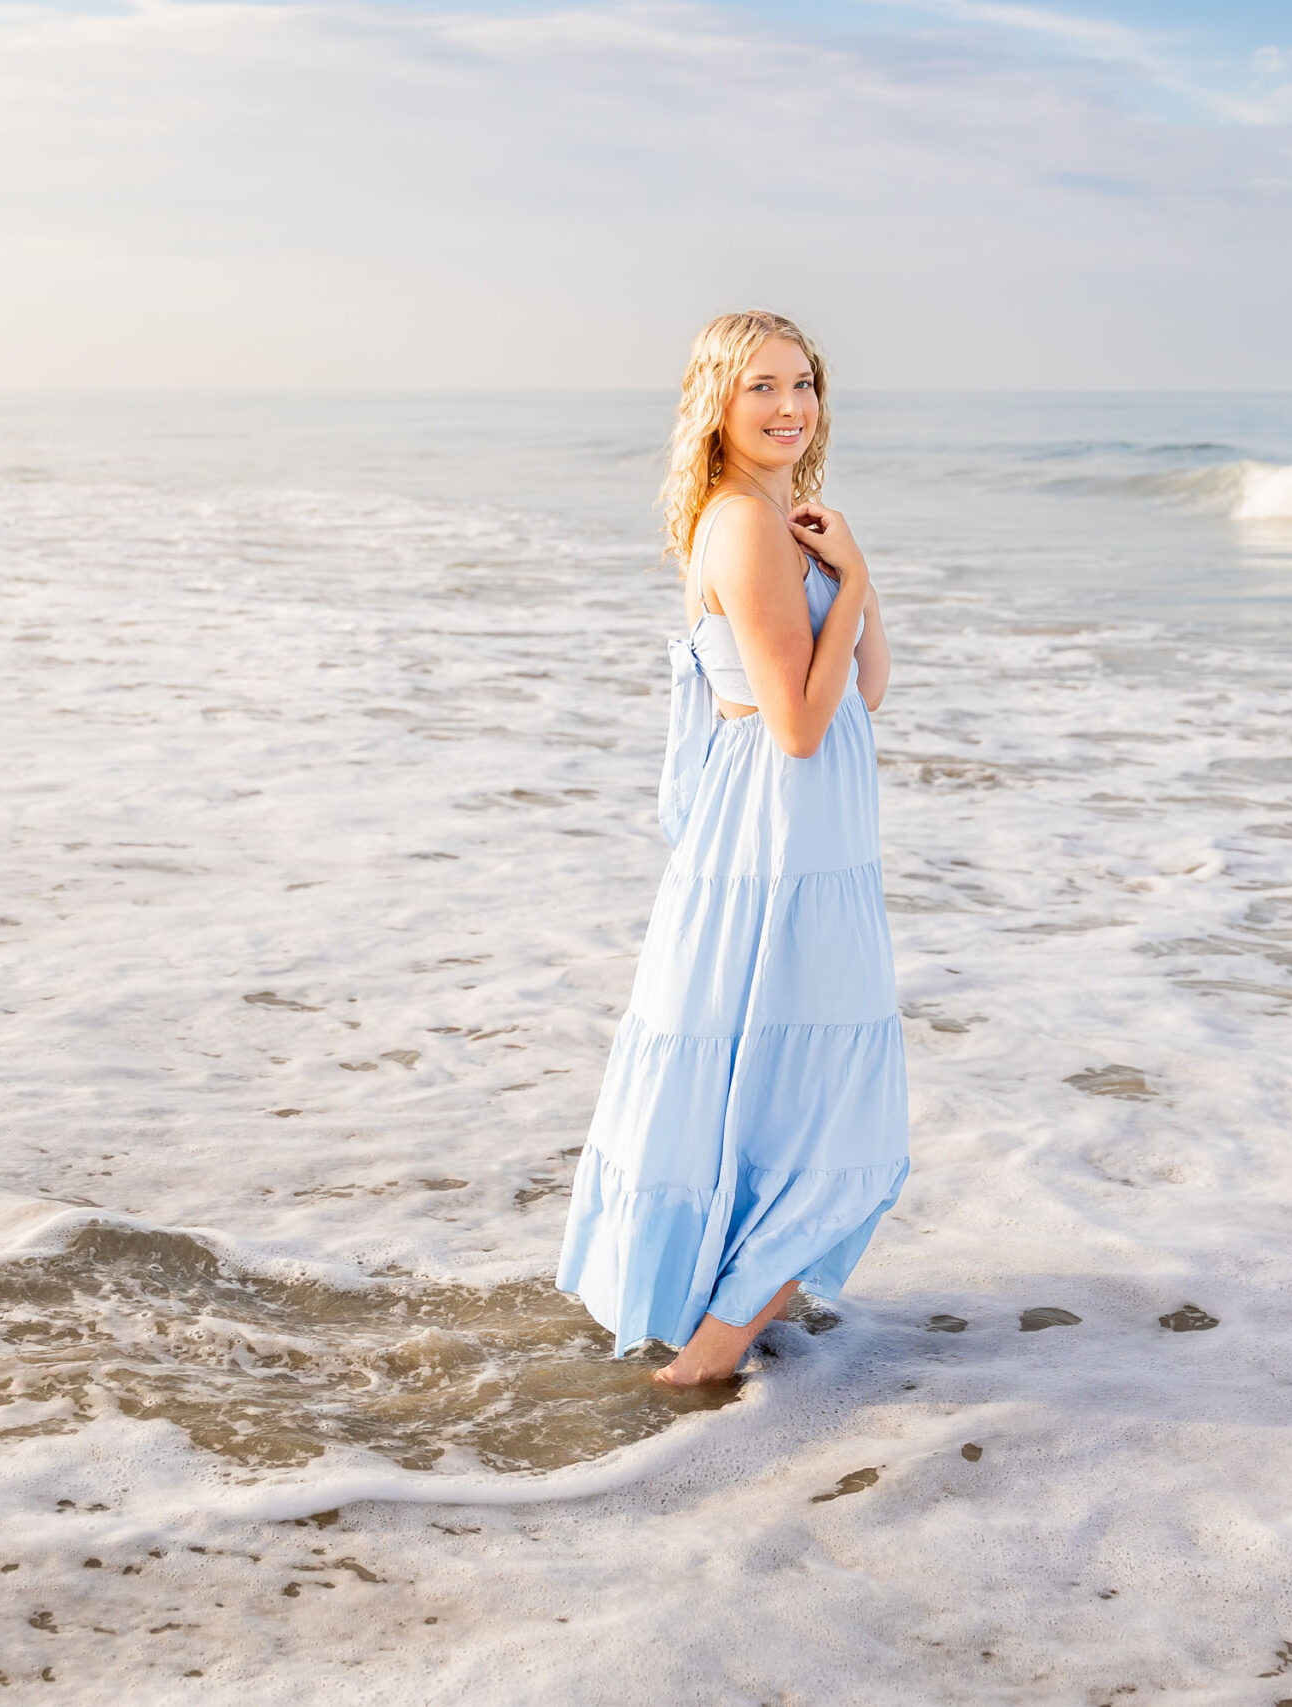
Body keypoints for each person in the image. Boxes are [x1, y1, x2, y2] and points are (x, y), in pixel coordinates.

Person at [555, 310, 909, 1387]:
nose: (789, 404)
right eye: (760, 385)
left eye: (801, 382)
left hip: (808, 837)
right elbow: (799, 727)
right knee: (819, 1099)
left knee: (784, 1084)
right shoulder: (745, 527)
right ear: (715, 400)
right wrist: (847, 583)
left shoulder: (777, 516)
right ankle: (701, 1365)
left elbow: (868, 691)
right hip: (780, 835)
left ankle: (714, 1331)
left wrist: (854, 574)